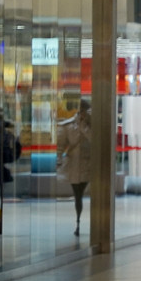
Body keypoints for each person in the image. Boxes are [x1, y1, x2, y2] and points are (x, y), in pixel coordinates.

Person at [57, 100, 91, 236]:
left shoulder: (92, 124)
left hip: (89, 164)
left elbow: (95, 139)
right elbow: (61, 144)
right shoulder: (68, 125)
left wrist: (84, 128)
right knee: (78, 195)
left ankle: (80, 220)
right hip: (74, 164)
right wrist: (58, 159)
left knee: (82, 191)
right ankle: (78, 221)